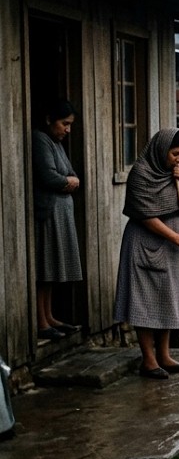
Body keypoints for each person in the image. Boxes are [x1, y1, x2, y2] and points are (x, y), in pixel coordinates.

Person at [113, 127, 179, 380]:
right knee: (145, 301)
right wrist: (177, 237)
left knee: (168, 297)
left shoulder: (174, 173)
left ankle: (165, 355)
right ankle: (148, 361)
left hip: (173, 246)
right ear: (162, 150)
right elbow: (146, 216)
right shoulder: (142, 173)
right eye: (175, 154)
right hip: (145, 242)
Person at [32, 99, 83, 340]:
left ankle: (49, 315)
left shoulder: (56, 143)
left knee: (52, 267)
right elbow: (50, 177)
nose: (68, 129)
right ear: (49, 120)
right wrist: (68, 182)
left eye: (70, 124)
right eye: (65, 123)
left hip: (60, 212)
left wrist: (69, 180)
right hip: (49, 212)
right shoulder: (40, 139)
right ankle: (41, 321)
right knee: (44, 267)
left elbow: (71, 174)